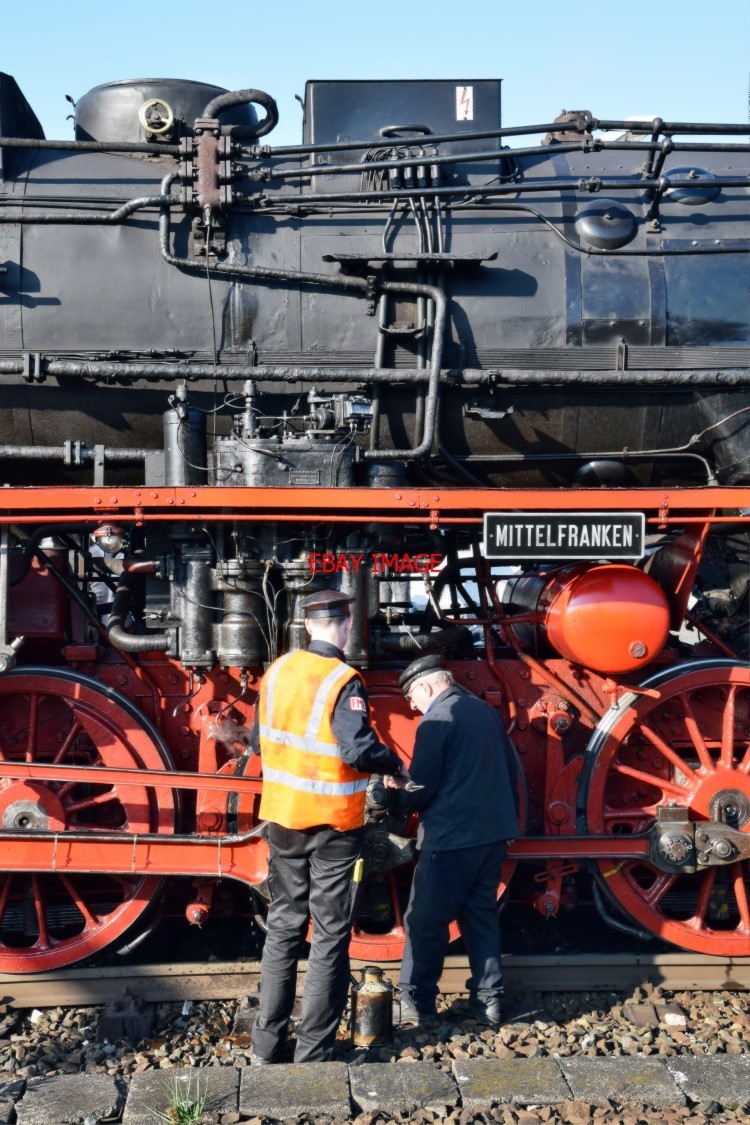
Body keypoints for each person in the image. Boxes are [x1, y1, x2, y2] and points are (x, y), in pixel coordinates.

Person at [249, 589, 408, 1064]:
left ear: (306, 626)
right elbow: (357, 750)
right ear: (342, 625)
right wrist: (393, 764)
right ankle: (313, 1055)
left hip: (282, 818)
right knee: (331, 933)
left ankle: (265, 1048)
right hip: (334, 828)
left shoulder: (276, 672)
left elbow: (259, 742)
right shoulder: (343, 678)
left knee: (282, 928)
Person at [396, 653, 520, 1029]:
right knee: (479, 917)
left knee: (425, 920)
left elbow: (421, 789)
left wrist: (395, 793)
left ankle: (416, 1004)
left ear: (427, 685)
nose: (414, 707)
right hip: (493, 835)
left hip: (451, 839)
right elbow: (511, 770)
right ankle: (489, 1003)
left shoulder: (436, 721)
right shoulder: (485, 713)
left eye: (412, 698)